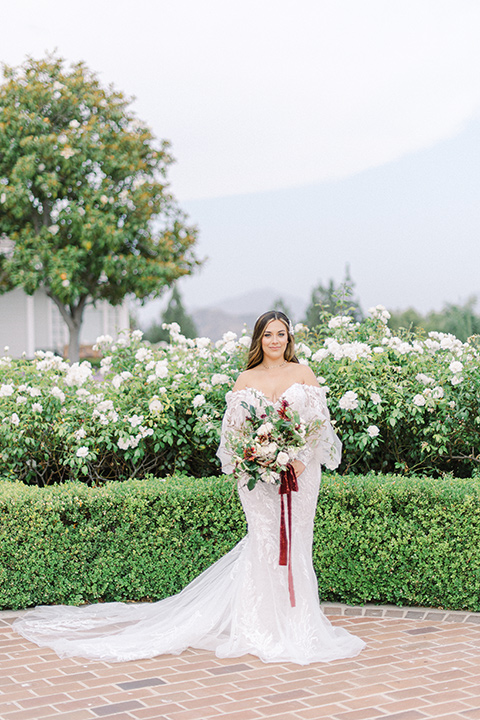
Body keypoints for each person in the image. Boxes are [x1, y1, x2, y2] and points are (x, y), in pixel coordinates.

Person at [13, 310, 365, 664]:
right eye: (268, 335)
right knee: (264, 539)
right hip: (256, 477)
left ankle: (298, 621)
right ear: (258, 340)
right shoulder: (245, 378)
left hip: (300, 474)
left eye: (281, 334)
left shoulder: (302, 373)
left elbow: (320, 425)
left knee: (296, 539)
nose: (275, 340)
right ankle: (261, 626)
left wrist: (298, 460)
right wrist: (255, 459)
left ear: (289, 338)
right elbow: (233, 435)